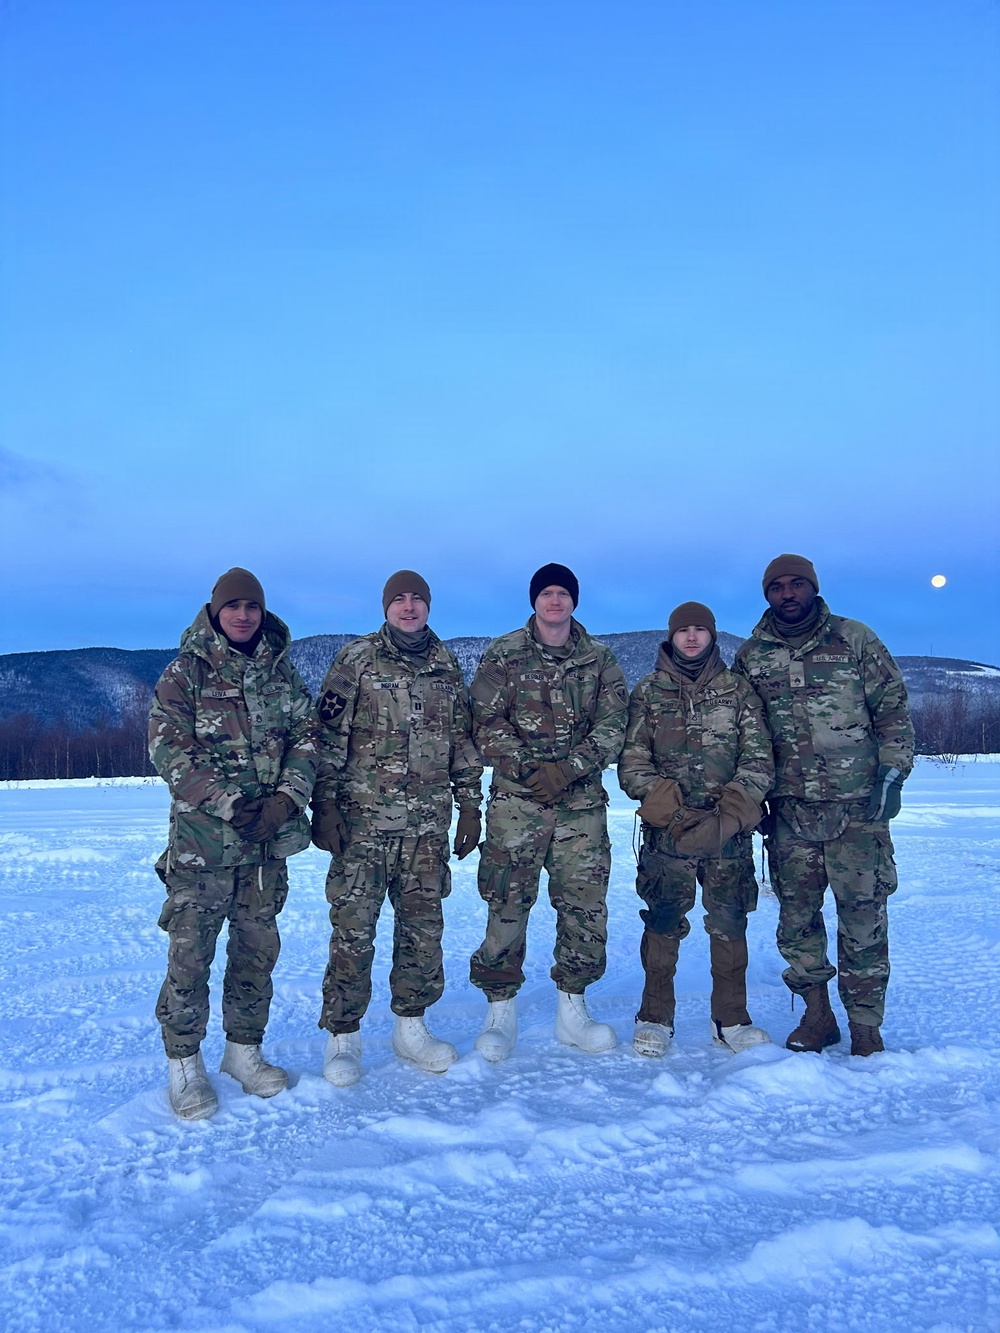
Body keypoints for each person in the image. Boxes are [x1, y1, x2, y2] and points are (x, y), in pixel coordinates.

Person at [149, 568, 317, 1120]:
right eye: (234, 606)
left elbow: (307, 740)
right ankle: (184, 1063)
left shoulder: (282, 675)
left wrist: (287, 799)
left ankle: (243, 1053)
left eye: (253, 607)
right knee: (190, 954)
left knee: (256, 951)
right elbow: (169, 751)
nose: (243, 615)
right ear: (215, 611)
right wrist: (228, 803)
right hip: (204, 845)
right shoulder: (185, 675)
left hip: (267, 844)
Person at [733, 555, 914, 1056]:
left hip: (858, 810)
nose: (788, 594)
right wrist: (752, 796)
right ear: (766, 594)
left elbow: (893, 710)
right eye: (777, 587)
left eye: (797, 585)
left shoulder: (854, 639)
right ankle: (817, 1016)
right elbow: (745, 732)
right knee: (797, 920)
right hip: (790, 814)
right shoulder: (752, 655)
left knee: (864, 920)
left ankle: (865, 1027)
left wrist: (892, 775)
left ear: (813, 587)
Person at [312, 571, 482, 1086]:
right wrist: (324, 804)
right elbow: (326, 737)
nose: (409, 607)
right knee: (353, 932)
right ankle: (343, 1036)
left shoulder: (446, 666)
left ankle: (411, 1027)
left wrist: (470, 803)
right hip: (362, 826)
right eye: (399, 599)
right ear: (386, 606)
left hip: (426, 828)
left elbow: (463, 741)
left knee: (423, 933)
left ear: (428, 606)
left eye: (418, 599)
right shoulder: (356, 660)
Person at [468, 563, 628, 1060]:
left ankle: (572, 1010)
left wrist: (570, 768)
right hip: (518, 804)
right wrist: (523, 766)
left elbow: (614, 725)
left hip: (580, 807)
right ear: (534, 600)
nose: (555, 601)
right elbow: (484, 718)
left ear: (574, 601)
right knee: (507, 901)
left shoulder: (599, 660)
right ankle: (500, 1011)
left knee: (583, 904)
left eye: (563, 593)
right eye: (547, 593)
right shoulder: (504, 655)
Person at [618, 602, 775, 1056]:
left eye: (699, 630)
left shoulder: (738, 692)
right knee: (663, 922)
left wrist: (728, 817)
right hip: (670, 835)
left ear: (711, 636)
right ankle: (655, 1016)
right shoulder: (649, 692)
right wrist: (677, 815)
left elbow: (759, 759)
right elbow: (632, 762)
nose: (691, 637)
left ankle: (731, 1018)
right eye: (683, 630)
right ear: (671, 636)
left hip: (729, 835)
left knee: (729, 924)